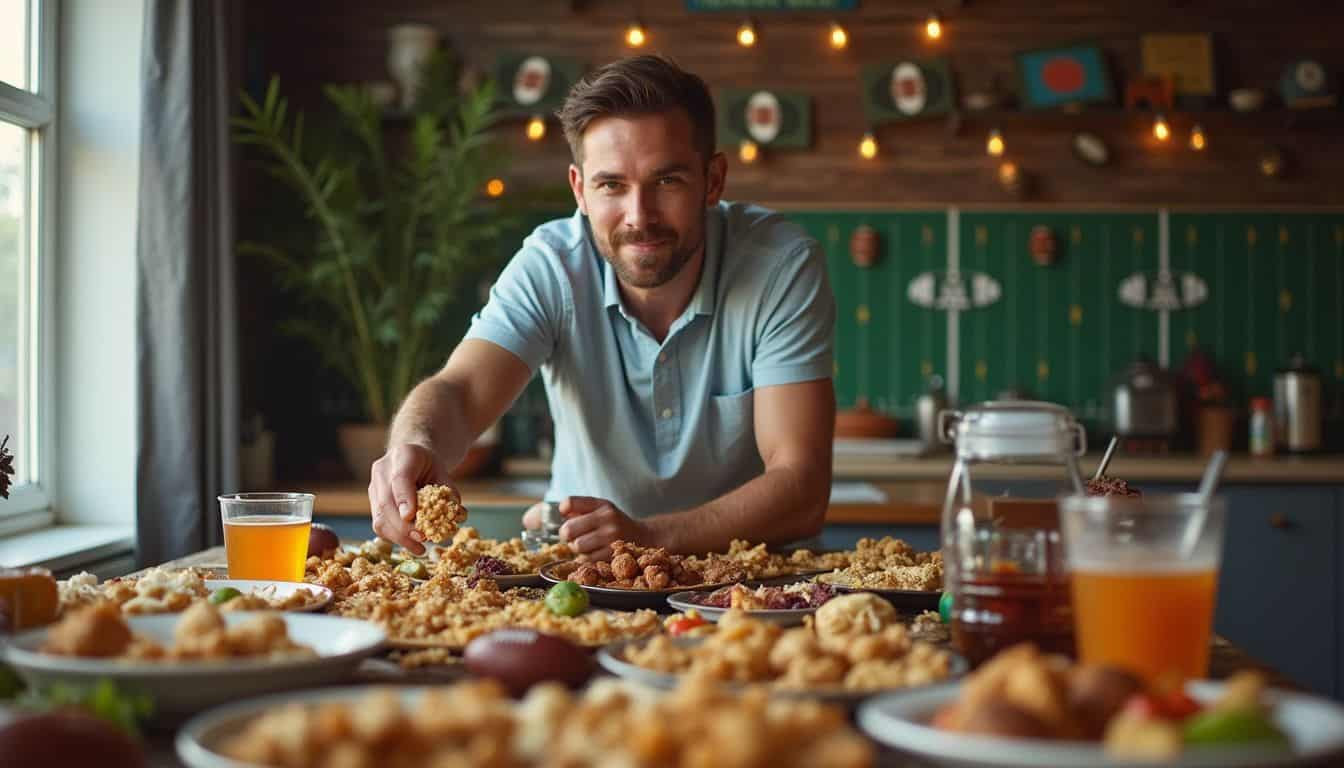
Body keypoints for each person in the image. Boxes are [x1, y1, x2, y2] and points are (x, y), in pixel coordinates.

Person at [368, 54, 835, 560]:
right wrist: (416, 444)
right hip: (580, 576)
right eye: (612, 185)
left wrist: (651, 538)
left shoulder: (779, 266)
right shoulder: (551, 265)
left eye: (667, 181)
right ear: (580, 190)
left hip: (753, 581)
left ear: (713, 180)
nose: (639, 217)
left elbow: (802, 484)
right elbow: (459, 392)